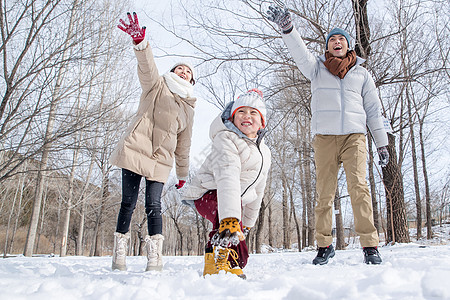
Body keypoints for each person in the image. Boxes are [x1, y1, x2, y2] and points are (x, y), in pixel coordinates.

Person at [267, 5, 389, 265]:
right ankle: (324, 245)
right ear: (327, 47)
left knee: (360, 188)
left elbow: (374, 110)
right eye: (332, 40)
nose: (336, 42)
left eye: (341, 39)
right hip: (324, 137)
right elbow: (300, 54)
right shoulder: (317, 69)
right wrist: (288, 29)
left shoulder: (362, 74)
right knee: (324, 192)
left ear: (349, 45)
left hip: (354, 136)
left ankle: (370, 245)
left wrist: (382, 143)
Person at [109, 12, 196, 271]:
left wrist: (182, 173)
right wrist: (141, 43)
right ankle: (119, 253)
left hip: (160, 159)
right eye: (179, 67)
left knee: (154, 205)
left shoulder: (189, 108)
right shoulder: (156, 86)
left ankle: (154, 257)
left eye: (188, 70)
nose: (183, 70)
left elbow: (184, 144)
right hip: (136, 148)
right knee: (128, 202)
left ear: (192, 81)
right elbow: (147, 67)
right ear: (172, 72)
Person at [182, 89, 271, 278]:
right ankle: (216, 259)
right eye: (241, 111)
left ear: (262, 121)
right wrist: (231, 217)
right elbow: (227, 176)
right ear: (232, 117)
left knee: (242, 256)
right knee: (225, 215)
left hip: (234, 201)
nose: (246, 116)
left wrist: (246, 223)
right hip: (207, 193)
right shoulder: (226, 138)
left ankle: (231, 260)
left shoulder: (265, 152)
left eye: (253, 112)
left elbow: (258, 189)